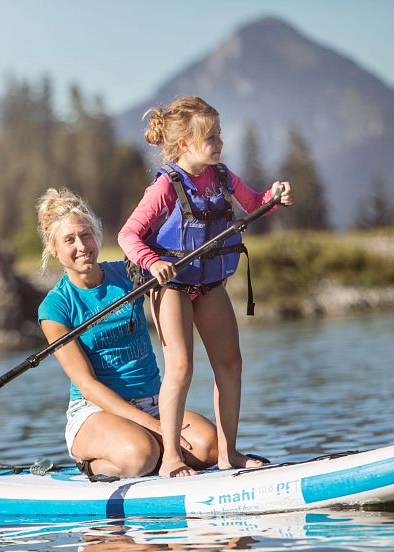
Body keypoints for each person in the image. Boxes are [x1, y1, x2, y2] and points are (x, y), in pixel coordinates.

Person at [118, 96, 294, 478]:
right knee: (180, 367)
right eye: (210, 136)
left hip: (210, 283)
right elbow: (128, 235)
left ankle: (229, 454)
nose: (219, 142)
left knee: (230, 365)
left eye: (220, 134)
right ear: (184, 144)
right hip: (172, 286)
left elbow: (255, 203)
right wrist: (153, 262)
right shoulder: (165, 186)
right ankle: (170, 460)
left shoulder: (224, 177)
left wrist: (275, 198)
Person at [36, 187, 219, 478]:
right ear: (55, 249)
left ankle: (156, 451)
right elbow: (88, 386)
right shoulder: (55, 308)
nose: (82, 245)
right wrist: (159, 428)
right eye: (69, 240)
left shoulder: (128, 274)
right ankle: (92, 464)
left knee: (210, 447)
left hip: (154, 401)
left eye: (86, 235)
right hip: (96, 410)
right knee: (141, 455)